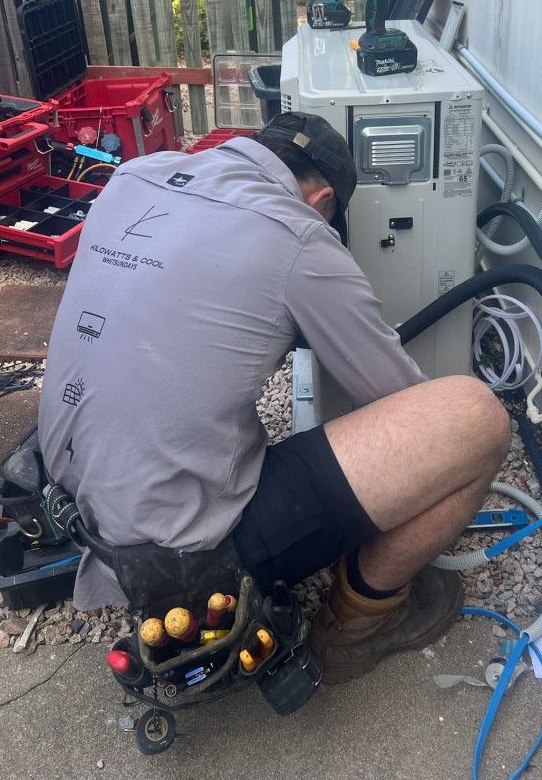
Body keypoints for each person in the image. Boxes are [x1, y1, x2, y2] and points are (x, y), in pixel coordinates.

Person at [38, 112, 509, 684]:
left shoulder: (134, 177)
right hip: (176, 552)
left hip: (68, 501)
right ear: (324, 200)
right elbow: (409, 407)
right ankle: (354, 629)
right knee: (474, 419)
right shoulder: (299, 235)